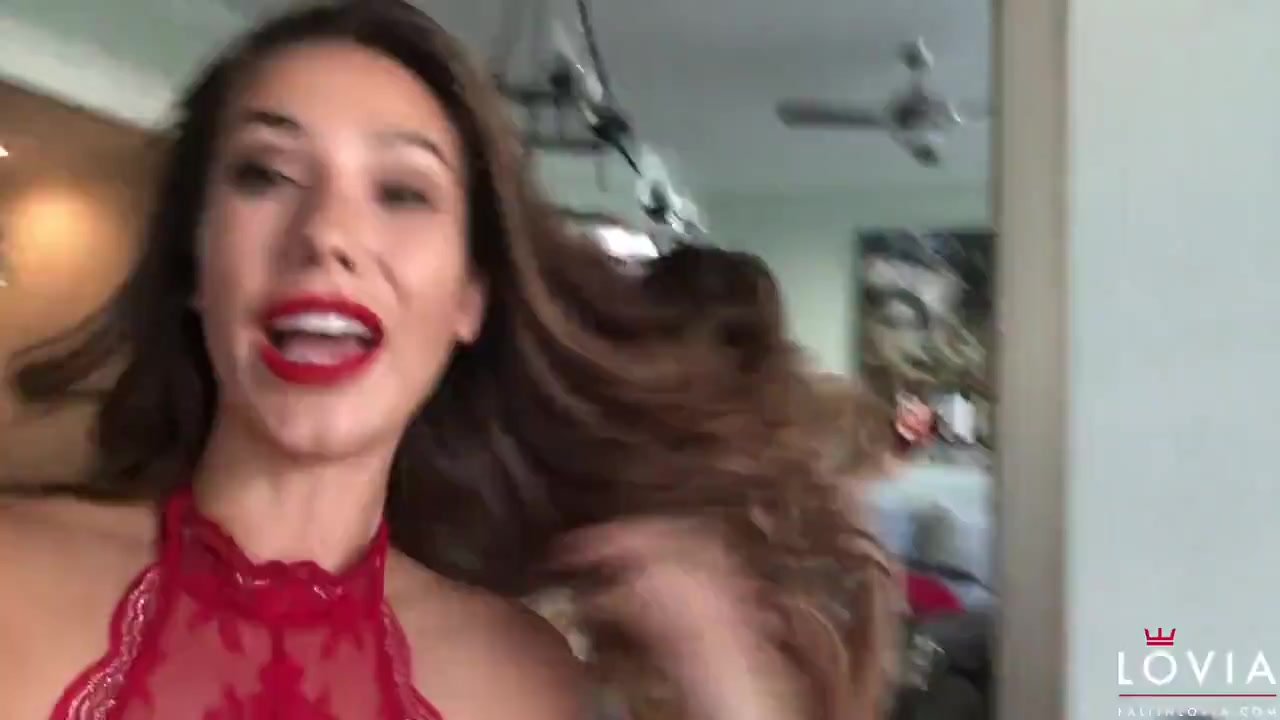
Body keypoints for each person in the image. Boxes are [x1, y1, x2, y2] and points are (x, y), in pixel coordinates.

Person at [0, 3, 877, 720]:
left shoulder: (525, 679)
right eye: (266, 174)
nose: (328, 234)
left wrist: (730, 687)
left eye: (402, 191)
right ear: (195, 265)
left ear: (469, 298)